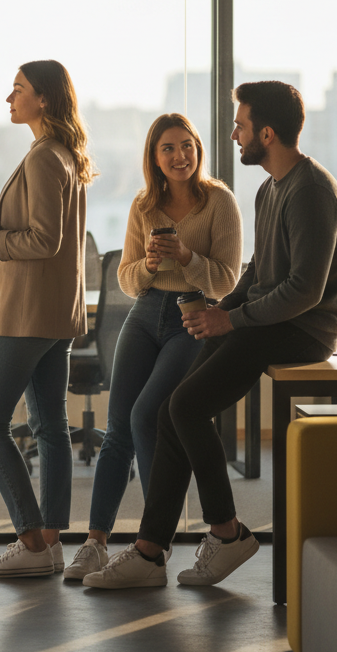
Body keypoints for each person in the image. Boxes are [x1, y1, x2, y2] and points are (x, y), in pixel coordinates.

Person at [83, 80, 337, 589]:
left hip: (299, 331)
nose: (233, 134)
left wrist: (229, 319)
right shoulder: (272, 187)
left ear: (267, 133)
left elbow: (304, 292)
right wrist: (220, 311)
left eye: (241, 125)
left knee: (182, 408)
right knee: (168, 410)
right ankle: (150, 552)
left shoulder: (310, 190)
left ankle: (225, 533)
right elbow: (256, 274)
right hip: (263, 320)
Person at [63, 113, 243, 581]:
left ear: (198, 150)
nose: (179, 155)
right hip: (144, 316)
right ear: (154, 156)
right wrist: (147, 264)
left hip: (191, 317)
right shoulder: (144, 205)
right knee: (117, 428)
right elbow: (125, 277)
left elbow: (227, 280)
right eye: (168, 148)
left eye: (187, 145)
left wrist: (186, 257)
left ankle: (151, 547)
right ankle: (95, 543)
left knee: (149, 415)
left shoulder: (220, 202)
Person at [0, 60, 95, 578]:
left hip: (26, 314)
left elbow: (43, 242)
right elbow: (45, 235)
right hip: (58, 314)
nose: (8, 99)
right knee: (50, 426)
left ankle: (31, 542)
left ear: (45, 100)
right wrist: (0, 224)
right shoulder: (64, 156)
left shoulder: (42, 157)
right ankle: (50, 545)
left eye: (18, 90)